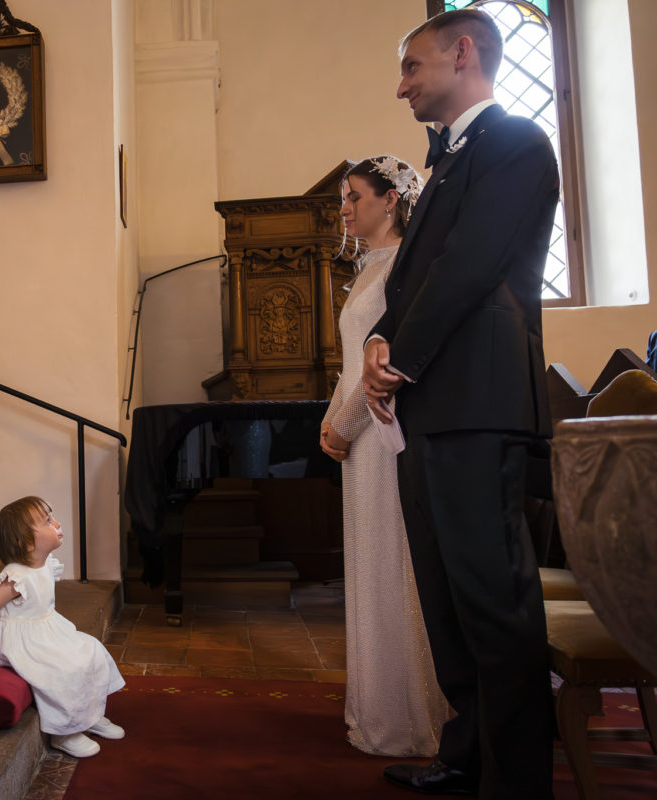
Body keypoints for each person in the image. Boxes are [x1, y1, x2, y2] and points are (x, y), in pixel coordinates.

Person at [362, 8, 558, 797]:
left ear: (463, 55)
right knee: (445, 602)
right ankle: (466, 754)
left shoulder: (513, 144)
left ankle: (515, 782)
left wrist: (397, 358)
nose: (401, 84)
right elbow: (415, 279)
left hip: (478, 404)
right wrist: (380, 340)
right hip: (431, 409)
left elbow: (471, 266)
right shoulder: (446, 160)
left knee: (493, 603)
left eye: (412, 67)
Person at [319, 156, 449, 758]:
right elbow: (351, 364)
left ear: (392, 199)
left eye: (354, 196)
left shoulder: (403, 267)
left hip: (382, 435)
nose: (344, 207)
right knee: (369, 561)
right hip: (358, 438)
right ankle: (378, 704)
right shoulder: (369, 268)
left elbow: (383, 367)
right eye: (344, 198)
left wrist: (344, 426)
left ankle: (410, 716)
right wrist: (331, 419)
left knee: (392, 561)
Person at [0, 496, 126, 758]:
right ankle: (64, 732)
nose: (57, 523)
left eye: (52, 517)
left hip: (43, 627)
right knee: (61, 668)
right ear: (26, 543)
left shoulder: (46, 565)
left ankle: (88, 715)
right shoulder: (17, 577)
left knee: (90, 650)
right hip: (14, 636)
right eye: (48, 521)